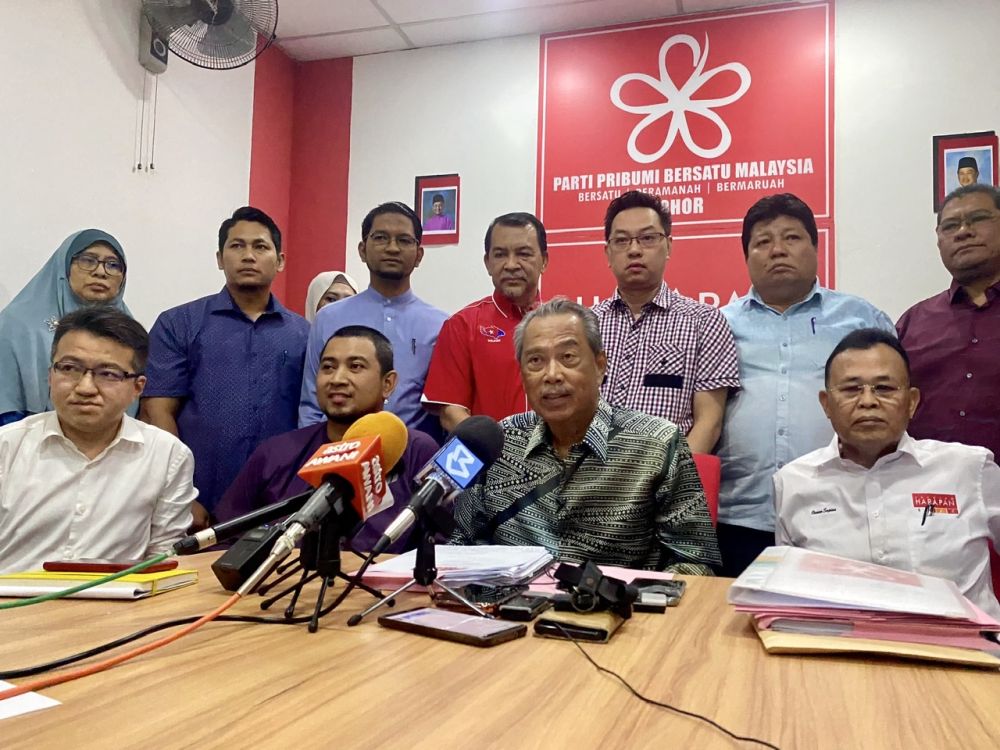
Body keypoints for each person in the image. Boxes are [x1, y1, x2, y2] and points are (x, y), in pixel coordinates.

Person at [451, 299, 721, 573]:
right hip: (508, 610)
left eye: (568, 357)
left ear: (600, 365)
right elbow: (461, 544)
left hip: (621, 611)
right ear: (522, 374)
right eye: (535, 361)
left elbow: (694, 562)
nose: (552, 375)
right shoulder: (497, 442)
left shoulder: (657, 444)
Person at [715, 194, 895, 576]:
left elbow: (892, 409)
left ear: (816, 247)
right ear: (747, 256)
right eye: (762, 242)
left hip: (840, 513)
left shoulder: (861, 319)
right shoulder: (717, 325)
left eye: (792, 238)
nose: (777, 250)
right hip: (738, 518)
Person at [774, 328, 1000, 618]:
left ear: (912, 402)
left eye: (884, 388)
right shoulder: (793, 482)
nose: (868, 401)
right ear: (826, 404)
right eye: (851, 389)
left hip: (963, 653)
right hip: (842, 650)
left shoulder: (970, 469)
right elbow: (788, 597)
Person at [140, 207, 309, 527]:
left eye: (260, 247)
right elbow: (155, 412)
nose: (248, 256)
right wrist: (182, 496)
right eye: (237, 246)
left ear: (280, 260)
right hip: (198, 501)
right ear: (219, 258)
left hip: (280, 503)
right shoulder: (179, 324)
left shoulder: (304, 334)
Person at [0, 307, 195, 573]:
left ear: (138, 387)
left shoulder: (167, 455)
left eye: (108, 374)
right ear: (50, 375)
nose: (85, 388)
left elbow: (164, 559)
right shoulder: (7, 446)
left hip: (118, 609)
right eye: (69, 368)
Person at [216, 326, 439, 552]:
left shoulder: (417, 451)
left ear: (388, 384)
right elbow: (221, 540)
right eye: (328, 367)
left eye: (356, 367)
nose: (337, 379)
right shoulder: (276, 453)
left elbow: (443, 543)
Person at [593, 190, 739, 453]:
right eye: (622, 241)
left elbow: (709, 422)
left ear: (668, 245)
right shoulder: (585, 324)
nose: (635, 250)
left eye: (648, 238)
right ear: (607, 252)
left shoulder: (704, 322)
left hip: (666, 483)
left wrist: (671, 484)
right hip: (585, 481)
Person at [299, 202, 448, 437]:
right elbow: (310, 404)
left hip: (412, 459)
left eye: (404, 240)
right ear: (362, 249)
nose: (392, 248)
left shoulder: (441, 325)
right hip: (336, 456)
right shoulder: (329, 318)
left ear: (419, 255)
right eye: (380, 237)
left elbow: (442, 409)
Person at [897, 184, 1000, 461]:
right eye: (950, 226)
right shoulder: (912, 324)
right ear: (939, 240)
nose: (964, 232)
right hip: (932, 497)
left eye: (978, 219)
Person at [423, 212, 547, 432]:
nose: (511, 264)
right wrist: (500, 454)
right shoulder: (462, 325)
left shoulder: (563, 325)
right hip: (490, 461)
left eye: (523, 254)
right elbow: (451, 413)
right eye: (500, 254)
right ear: (487, 262)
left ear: (544, 261)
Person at [0, 230, 130, 426]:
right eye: (88, 260)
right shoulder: (19, 324)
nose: (101, 272)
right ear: (64, 267)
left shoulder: (129, 331)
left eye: (113, 265)